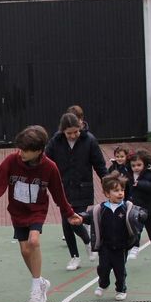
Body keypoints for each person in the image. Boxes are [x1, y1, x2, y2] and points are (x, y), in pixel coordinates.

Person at [0, 125, 84, 302]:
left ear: (38, 151)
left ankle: (36, 290)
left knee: (34, 241)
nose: (20, 152)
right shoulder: (11, 161)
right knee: (25, 251)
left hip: (37, 211)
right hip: (17, 211)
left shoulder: (49, 167)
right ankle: (41, 282)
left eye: (25, 150)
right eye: (19, 148)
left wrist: (69, 213)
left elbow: (58, 194)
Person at [45, 113, 106, 271]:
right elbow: (45, 161)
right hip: (63, 188)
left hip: (83, 187)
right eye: (69, 133)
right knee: (67, 220)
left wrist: (106, 181)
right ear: (62, 131)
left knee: (74, 218)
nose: (73, 135)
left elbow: (99, 163)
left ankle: (88, 243)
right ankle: (77, 254)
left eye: (76, 132)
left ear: (80, 127)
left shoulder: (89, 140)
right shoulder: (55, 142)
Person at [77, 173, 146, 301]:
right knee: (103, 268)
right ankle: (103, 285)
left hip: (121, 246)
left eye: (122, 190)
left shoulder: (127, 207)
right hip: (105, 246)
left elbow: (140, 211)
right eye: (116, 191)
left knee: (120, 271)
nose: (120, 193)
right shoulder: (101, 209)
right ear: (107, 194)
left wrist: (142, 215)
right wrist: (80, 218)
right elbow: (89, 216)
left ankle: (121, 289)